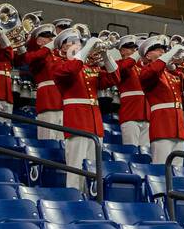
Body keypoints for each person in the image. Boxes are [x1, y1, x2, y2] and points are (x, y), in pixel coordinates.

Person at [53, 30, 119, 193]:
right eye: (72, 41)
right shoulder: (59, 64)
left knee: (93, 170)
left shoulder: (89, 66)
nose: (77, 43)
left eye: (79, 41)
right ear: (62, 47)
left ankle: (91, 201)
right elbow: (72, 68)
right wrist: (88, 46)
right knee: (75, 169)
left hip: (94, 122)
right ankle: (74, 200)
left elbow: (114, 78)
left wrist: (105, 55)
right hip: (76, 121)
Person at [138, 35, 184, 166]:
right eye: (158, 50)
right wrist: (172, 51)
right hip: (162, 126)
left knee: (177, 170)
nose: (163, 52)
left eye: (163, 50)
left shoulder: (171, 75)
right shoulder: (146, 71)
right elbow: (155, 69)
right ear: (148, 56)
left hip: (178, 127)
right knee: (161, 167)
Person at [17, 22, 64, 140]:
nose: (51, 40)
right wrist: (48, 48)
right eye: (48, 37)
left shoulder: (56, 55)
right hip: (48, 101)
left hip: (61, 101)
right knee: (48, 139)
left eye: (52, 37)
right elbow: (28, 58)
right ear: (39, 41)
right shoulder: (37, 55)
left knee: (62, 141)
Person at [113, 35, 150, 149]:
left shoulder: (140, 66)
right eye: (131, 48)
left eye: (136, 48)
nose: (135, 51)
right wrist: (139, 53)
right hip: (130, 113)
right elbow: (124, 67)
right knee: (131, 149)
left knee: (145, 152)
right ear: (122, 50)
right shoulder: (118, 64)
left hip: (146, 114)